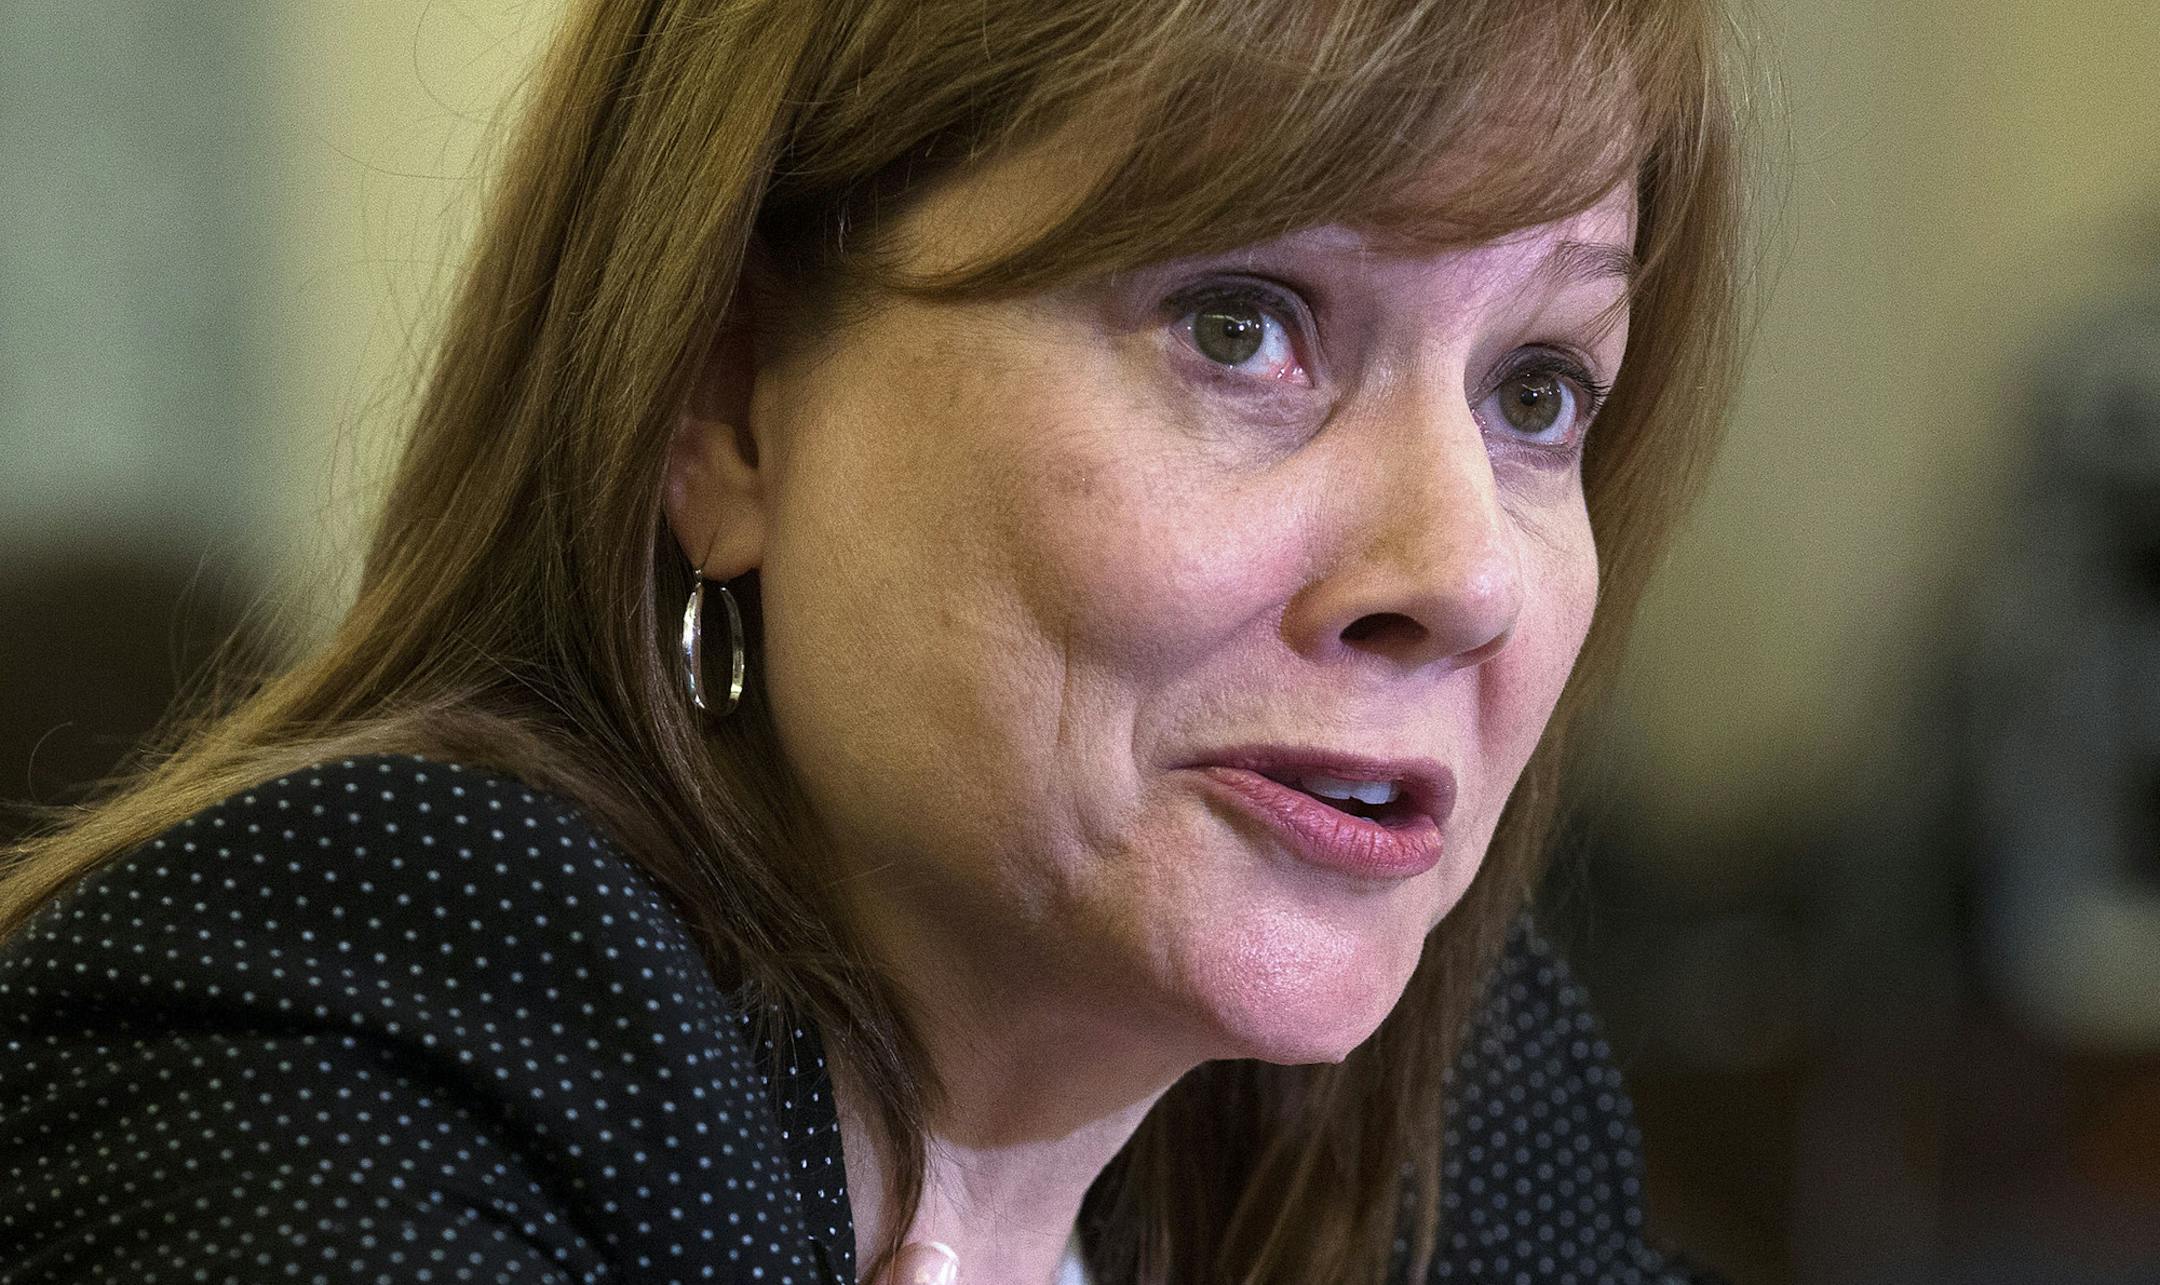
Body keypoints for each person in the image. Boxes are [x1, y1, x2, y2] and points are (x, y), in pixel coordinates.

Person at [0, 0, 1747, 1281]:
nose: (1464, 570)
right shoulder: (373, 1019)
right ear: (727, 403)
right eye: (1242, 324)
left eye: (1538, 389)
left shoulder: (1467, 1133)